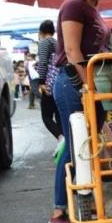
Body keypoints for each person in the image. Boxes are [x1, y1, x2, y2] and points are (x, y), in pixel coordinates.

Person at [49, 0, 111, 223]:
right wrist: (89, 87)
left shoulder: (91, 9)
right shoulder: (73, 5)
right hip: (73, 83)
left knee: (87, 144)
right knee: (76, 145)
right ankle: (59, 210)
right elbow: (73, 52)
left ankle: (85, 196)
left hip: (87, 84)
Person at [36, 20, 64, 161]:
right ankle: (64, 145)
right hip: (60, 83)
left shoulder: (44, 43)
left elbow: (43, 62)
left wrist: (41, 82)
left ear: (41, 32)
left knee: (46, 116)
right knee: (59, 115)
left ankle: (61, 139)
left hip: (49, 84)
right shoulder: (58, 43)